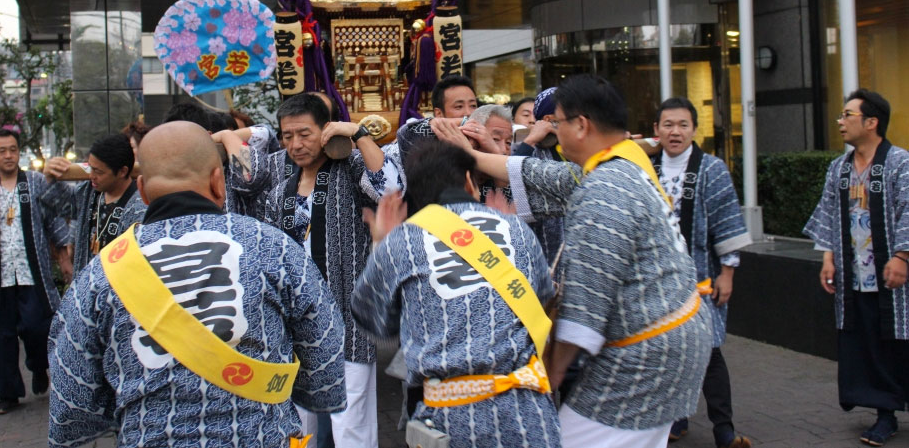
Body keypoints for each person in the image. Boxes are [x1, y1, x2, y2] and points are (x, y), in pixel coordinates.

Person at [432, 74, 713, 448]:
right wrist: (473, 155)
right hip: (671, 338)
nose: (551, 131)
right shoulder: (621, 164)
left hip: (648, 354)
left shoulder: (603, 191)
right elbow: (538, 174)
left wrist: (545, 376)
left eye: (557, 122)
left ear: (581, 125)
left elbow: (582, 316)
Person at [47, 121, 346, 447]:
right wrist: (313, 395)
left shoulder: (99, 274)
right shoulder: (271, 246)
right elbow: (325, 352)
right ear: (218, 182)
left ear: (143, 190)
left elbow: (70, 396)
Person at [219, 93, 401, 448]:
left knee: (351, 424)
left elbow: (390, 189)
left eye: (304, 134)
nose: (296, 144)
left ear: (325, 131)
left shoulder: (351, 171)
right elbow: (263, 243)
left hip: (347, 322)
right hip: (291, 327)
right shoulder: (278, 191)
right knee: (295, 425)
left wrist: (358, 133)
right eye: (287, 136)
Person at [351, 140, 561, 447]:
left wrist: (382, 244)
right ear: (468, 181)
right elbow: (542, 298)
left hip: (448, 416)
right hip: (526, 411)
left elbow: (372, 320)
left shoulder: (403, 239)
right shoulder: (514, 228)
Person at [804, 89, 909, 447]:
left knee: (892, 341)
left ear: (871, 122)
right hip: (854, 275)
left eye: (847, 115)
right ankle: (883, 412)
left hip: (893, 275)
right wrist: (828, 256)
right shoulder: (840, 167)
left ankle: (887, 412)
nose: (840, 121)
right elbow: (830, 213)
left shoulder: (899, 163)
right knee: (862, 340)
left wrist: (902, 257)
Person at [652, 97, 753, 448]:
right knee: (666, 352)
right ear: (656, 130)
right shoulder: (645, 167)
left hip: (701, 279)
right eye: (668, 124)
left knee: (708, 352)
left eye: (682, 125)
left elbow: (727, 222)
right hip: (656, 281)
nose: (675, 132)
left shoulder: (711, 168)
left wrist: (728, 273)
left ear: (695, 129)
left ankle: (723, 427)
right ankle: (675, 417)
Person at [0, 128, 71, 415]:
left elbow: (55, 220)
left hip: (32, 273)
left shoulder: (36, 183)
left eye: (13, 150)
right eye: (2, 151)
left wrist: (63, 257)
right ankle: (6, 394)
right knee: (0, 335)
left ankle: (38, 365)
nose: (8, 155)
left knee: (39, 327)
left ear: (18, 152)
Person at [41, 134, 147, 277]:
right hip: (86, 283)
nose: (92, 176)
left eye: (99, 172)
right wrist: (48, 175)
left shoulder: (139, 205)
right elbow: (62, 204)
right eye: (91, 169)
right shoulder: (88, 192)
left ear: (122, 171)